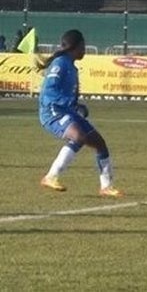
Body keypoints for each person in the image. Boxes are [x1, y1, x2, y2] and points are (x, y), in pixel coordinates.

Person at [38, 29, 123, 197]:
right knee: (77, 136)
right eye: (83, 45)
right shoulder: (60, 63)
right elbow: (49, 90)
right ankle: (51, 176)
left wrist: (77, 105)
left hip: (67, 110)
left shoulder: (71, 67)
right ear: (75, 47)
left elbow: (68, 95)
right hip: (52, 111)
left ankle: (106, 187)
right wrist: (69, 104)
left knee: (99, 143)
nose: (84, 49)